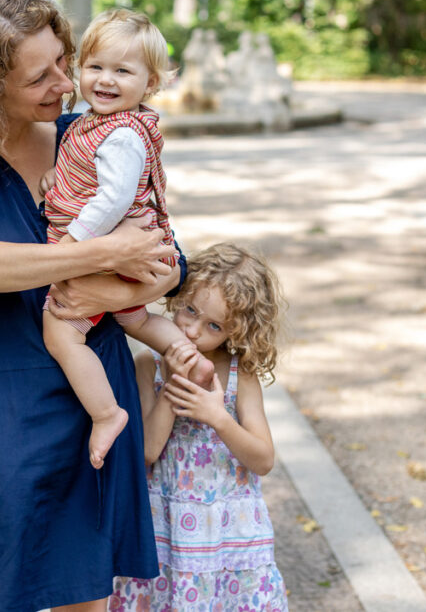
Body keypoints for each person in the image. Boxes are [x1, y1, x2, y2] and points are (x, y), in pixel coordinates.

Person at [0, 0, 182, 612]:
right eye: (39, 76)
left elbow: (166, 256)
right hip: (4, 395)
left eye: (63, 59)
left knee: (90, 596)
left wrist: (145, 275)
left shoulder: (97, 132)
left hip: (97, 389)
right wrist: (106, 255)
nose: (65, 82)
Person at [40, 9, 214, 471]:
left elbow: (114, 199)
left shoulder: (121, 135)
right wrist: (55, 182)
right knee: (135, 319)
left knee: (60, 332)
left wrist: (71, 245)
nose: (105, 80)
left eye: (123, 71)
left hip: (108, 250)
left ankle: (106, 412)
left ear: (151, 82)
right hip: (118, 253)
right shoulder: (93, 122)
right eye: (95, 67)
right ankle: (184, 353)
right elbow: (89, 177)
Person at [112, 243, 289, 611]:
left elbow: (263, 459)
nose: (191, 331)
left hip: (229, 529)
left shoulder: (241, 376)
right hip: (168, 527)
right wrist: (173, 386)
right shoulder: (149, 365)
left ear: (236, 330)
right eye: (189, 310)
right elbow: (147, 451)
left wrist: (218, 417)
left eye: (213, 325)